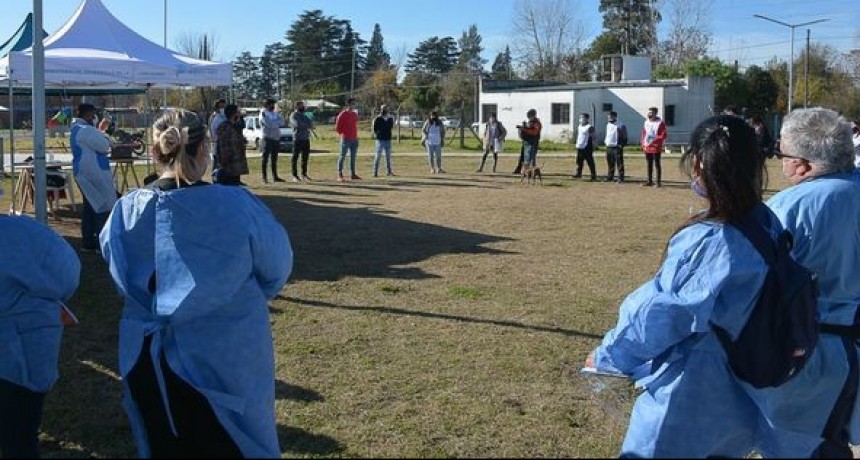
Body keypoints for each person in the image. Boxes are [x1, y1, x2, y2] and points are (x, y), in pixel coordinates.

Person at [100, 109, 293, 458]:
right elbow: (275, 268)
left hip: (146, 359)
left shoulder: (125, 210)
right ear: (206, 148)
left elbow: (119, 274)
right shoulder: (237, 207)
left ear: (155, 152)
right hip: (224, 359)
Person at [586, 115, 782, 457]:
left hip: (691, 392)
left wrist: (607, 357)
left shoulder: (711, 239)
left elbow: (662, 314)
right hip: (743, 394)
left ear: (699, 164)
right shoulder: (768, 225)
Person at [751, 107, 860, 458]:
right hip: (851, 346)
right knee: (834, 439)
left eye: (781, 155)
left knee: (798, 447)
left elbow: (755, 281)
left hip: (809, 350)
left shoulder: (789, 206)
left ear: (803, 164)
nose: (779, 164)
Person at [0, 211, 80, 459]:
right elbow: (66, 276)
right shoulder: (24, 234)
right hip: (20, 361)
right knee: (20, 437)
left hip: (20, 356)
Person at [71, 103, 117, 253]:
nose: (94, 118)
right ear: (88, 115)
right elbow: (103, 146)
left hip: (83, 171)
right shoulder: (86, 130)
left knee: (90, 207)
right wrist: (107, 138)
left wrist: (100, 132)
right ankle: (101, 243)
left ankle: (88, 242)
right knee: (102, 206)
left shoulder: (76, 129)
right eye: (92, 115)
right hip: (93, 171)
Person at [214, 104, 249, 186]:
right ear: (234, 113)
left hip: (235, 165)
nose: (239, 112)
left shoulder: (234, 125)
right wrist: (225, 162)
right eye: (238, 111)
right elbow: (226, 146)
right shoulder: (226, 127)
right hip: (229, 165)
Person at [335, 97, 361, 182]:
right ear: (349, 104)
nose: (354, 105)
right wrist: (343, 135)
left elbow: (355, 126)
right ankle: (340, 174)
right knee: (342, 156)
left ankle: (353, 174)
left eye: (355, 103)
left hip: (354, 139)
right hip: (345, 139)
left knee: (353, 157)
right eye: (353, 103)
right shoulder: (342, 114)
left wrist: (356, 137)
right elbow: (338, 128)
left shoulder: (354, 114)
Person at [640, 106, 667, 187]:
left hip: (656, 147)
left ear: (655, 113)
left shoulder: (660, 123)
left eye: (651, 112)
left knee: (657, 164)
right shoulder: (646, 122)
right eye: (649, 112)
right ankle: (649, 181)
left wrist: (654, 141)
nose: (649, 114)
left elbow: (663, 135)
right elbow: (644, 134)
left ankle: (658, 182)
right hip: (647, 146)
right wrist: (643, 143)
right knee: (649, 164)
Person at [260, 98, 285, 183]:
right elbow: (268, 124)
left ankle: (275, 177)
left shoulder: (275, 113)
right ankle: (264, 177)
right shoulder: (263, 113)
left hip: (276, 138)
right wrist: (276, 122)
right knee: (265, 158)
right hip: (267, 138)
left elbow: (282, 122)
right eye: (272, 104)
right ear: (267, 105)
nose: (273, 106)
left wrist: (274, 122)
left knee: (274, 158)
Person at [289, 100, 314, 181]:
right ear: (297, 107)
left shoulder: (304, 116)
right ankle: (294, 175)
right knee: (295, 157)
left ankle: (304, 174)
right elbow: (297, 124)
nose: (303, 107)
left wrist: (306, 125)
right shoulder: (293, 115)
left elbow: (311, 124)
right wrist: (306, 125)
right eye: (301, 106)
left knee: (305, 157)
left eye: (303, 105)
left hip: (305, 138)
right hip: (297, 139)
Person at [604, 111, 628, 183]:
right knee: (610, 162)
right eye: (608, 117)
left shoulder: (620, 125)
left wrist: (622, 145)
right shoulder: (608, 125)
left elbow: (625, 136)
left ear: (615, 116)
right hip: (609, 146)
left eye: (610, 116)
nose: (609, 118)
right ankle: (610, 177)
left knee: (619, 163)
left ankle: (621, 178)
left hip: (617, 147)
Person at [372, 105, 395, 177]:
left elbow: (390, 127)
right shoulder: (378, 118)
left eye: (386, 108)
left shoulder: (390, 118)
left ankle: (389, 171)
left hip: (388, 139)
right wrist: (378, 134)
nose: (385, 110)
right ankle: (375, 172)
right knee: (378, 156)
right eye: (383, 109)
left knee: (388, 156)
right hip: (380, 140)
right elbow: (375, 128)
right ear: (381, 109)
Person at [573, 113, 597, 181]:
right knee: (579, 162)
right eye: (580, 117)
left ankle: (593, 176)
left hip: (587, 147)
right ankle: (578, 174)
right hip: (580, 146)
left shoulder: (590, 127)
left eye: (583, 118)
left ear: (586, 119)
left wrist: (594, 145)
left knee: (590, 162)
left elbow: (594, 137)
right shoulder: (580, 126)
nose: (581, 119)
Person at [208, 98, 227, 170]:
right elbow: (212, 129)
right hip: (216, 141)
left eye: (224, 107)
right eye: (222, 107)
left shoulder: (223, 116)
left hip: (222, 142)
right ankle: (215, 177)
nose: (223, 108)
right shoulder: (214, 117)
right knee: (216, 161)